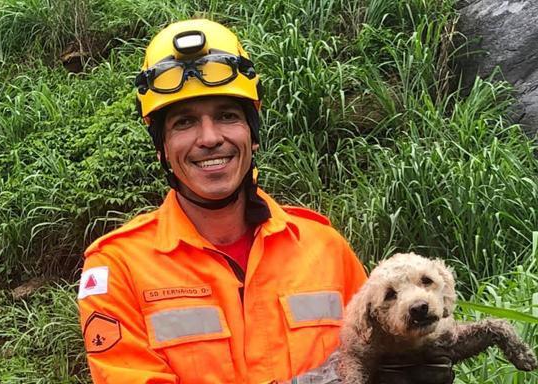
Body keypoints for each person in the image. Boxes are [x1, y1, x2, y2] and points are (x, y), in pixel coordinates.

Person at [77, 19, 455, 384]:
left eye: (227, 116)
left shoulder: (325, 249)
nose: (209, 138)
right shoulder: (119, 267)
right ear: (162, 148)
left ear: (252, 134)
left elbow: (376, 351)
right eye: (184, 122)